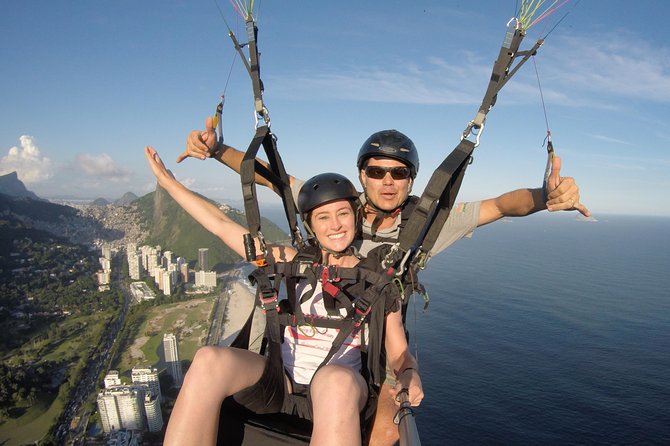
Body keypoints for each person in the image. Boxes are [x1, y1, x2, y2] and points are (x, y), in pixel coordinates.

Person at [180, 121, 590, 445]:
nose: (387, 181)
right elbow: (276, 179)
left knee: (384, 434)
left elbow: (500, 206)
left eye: (399, 173)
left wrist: (544, 196)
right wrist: (215, 150)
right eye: (377, 171)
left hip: (377, 340)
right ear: (362, 175)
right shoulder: (336, 205)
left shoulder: (427, 224)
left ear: (411, 180)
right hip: (308, 331)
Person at [145, 146, 423, 446]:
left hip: (340, 389)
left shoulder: (377, 280)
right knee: (208, 359)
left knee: (334, 381)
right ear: (311, 226)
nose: (335, 225)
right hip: (281, 381)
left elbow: (398, 353)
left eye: (343, 214)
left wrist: (409, 373)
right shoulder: (294, 263)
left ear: (355, 217)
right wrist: (169, 184)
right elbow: (221, 226)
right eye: (323, 217)